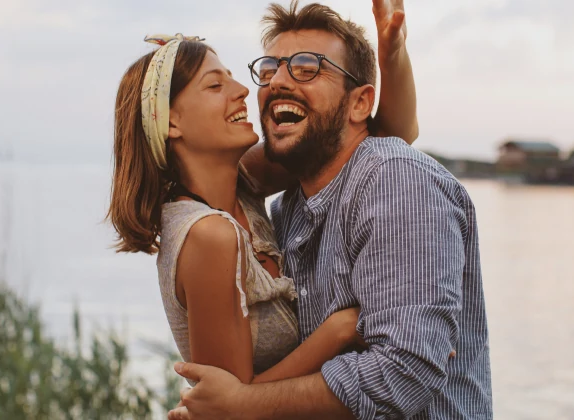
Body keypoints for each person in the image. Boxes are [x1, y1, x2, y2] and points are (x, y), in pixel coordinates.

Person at [168, 1, 493, 419]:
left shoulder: (394, 180)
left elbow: (405, 369)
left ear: (360, 104)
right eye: (269, 69)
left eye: (307, 67)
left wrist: (244, 404)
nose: (276, 81)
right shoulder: (283, 210)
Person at [106, 0, 420, 394]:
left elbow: (380, 134)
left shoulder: (240, 184)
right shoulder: (208, 236)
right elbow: (231, 405)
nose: (244, 91)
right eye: (215, 85)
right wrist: (337, 332)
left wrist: (393, 54)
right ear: (172, 121)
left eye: (235, 79)